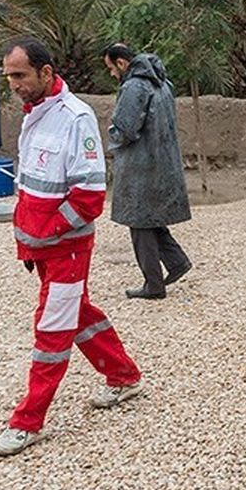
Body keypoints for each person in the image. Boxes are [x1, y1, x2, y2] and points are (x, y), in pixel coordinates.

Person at [0, 38, 143, 457]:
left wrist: (51, 232)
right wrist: (29, 237)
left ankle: (27, 421)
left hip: (66, 249)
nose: (14, 84)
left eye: (20, 75)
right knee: (77, 313)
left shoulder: (75, 118)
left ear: (46, 73)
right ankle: (124, 376)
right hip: (44, 249)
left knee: (51, 330)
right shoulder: (35, 115)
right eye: (9, 76)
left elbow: (90, 196)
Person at [103, 43, 192, 300]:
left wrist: (112, 135)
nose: (111, 74)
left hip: (141, 165)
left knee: (139, 223)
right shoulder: (164, 84)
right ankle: (176, 262)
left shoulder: (134, 87)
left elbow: (126, 129)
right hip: (163, 162)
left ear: (122, 63)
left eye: (111, 68)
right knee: (150, 217)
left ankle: (153, 285)